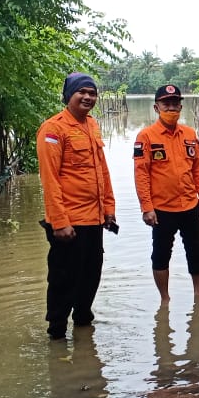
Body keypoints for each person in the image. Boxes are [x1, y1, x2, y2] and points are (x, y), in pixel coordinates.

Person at [37, 72, 116, 340]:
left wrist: (109, 209)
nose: (88, 97)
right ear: (69, 95)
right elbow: (50, 179)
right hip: (69, 222)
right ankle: (57, 333)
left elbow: (102, 171)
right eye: (81, 92)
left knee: (91, 275)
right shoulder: (53, 129)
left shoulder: (92, 125)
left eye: (92, 93)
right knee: (63, 280)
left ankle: (84, 329)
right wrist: (59, 222)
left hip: (94, 219)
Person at [133, 84, 199, 303]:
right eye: (166, 104)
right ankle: (165, 299)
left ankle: (198, 296)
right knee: (160, 255)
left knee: (196, 252)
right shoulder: (146, 137)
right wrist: (146, 208)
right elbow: (141, 175)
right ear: (156, 107)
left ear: (181, 107)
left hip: (189, 206)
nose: (171, 108)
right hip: (161, 209)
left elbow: (198, 170)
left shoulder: (190, 133)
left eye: (175, 103)